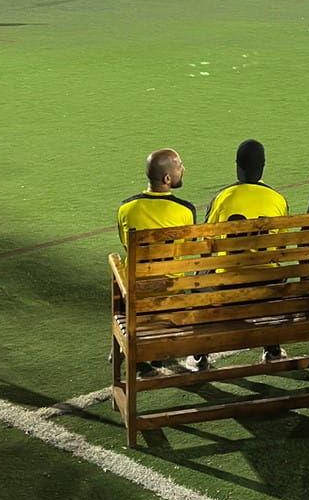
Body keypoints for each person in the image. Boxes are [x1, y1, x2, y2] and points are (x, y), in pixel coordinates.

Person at [117, 148, 205, 373]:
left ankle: (134, 348)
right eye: (180, 166)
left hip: (136, 295)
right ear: (167, 179)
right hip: (171, 295)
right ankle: (159, 349)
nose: (183, 169)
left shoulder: (126, 209)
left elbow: (125, 244)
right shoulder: (185, 211)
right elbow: (187, 248)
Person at [206, 139, 289, 363]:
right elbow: (282, 246)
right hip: (267, 286)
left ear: (237, 165)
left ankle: (199, 354)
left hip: (228, 285)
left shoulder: (223, 197)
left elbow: (206, 241)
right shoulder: (277, 199)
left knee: (200, 277)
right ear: (263, 165)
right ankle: (272, 349)